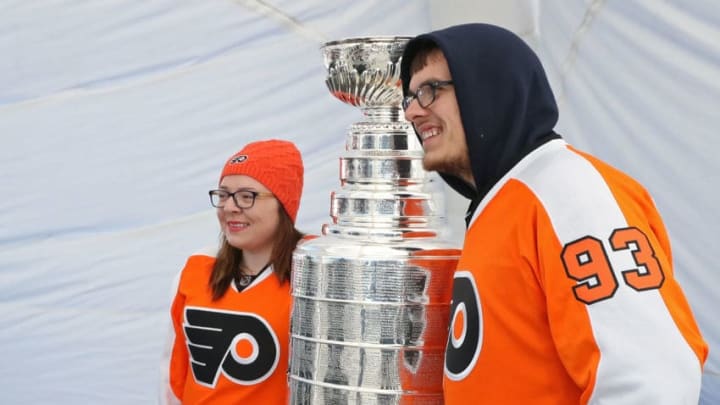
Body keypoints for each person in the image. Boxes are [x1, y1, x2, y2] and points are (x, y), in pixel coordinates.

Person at [399, 23, 708, 404]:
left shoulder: (569, 191)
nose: (413, 111)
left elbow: (654, 383)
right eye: (410, 97)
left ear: (489, 89)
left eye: (430, 91)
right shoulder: (506, 201)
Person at [161, 139, 304, 404]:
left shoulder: (316, 275)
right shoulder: (197, 268)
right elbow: (174, 375)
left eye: (247, 196)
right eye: (224, 195)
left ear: (284, 203)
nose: (229, 207)